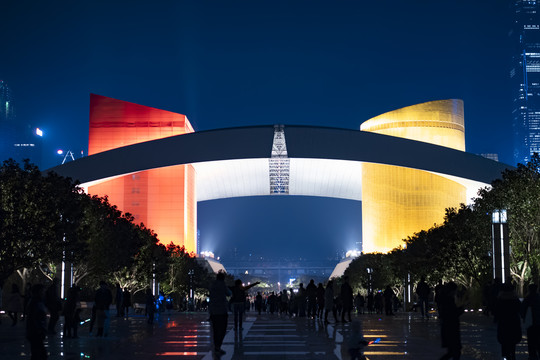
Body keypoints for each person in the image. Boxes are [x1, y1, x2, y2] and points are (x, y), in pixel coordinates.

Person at [495, 282, 522, 360]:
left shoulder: (500, 300)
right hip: (513, 322)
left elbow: (496, 311)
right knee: (512, 341)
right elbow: (519, 309)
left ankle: (507, 354)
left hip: (503, 323)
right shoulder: (515, 300)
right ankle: (512, 355)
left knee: (505, 340)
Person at [438, 282, 463, 360]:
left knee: (452, 352)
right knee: (455, 352)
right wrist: (460, 310)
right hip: (451, 329)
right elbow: (451, 314)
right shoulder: (448, 300)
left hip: (448, 328)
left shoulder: (445, 299)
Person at [209, 272, 231, 357]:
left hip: (213, 311)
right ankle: (218, 346)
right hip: (222, 310)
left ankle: (216, 347)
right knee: (222, 329)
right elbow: (229, 293)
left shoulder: (212, 285)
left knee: (215, 330)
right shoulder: (223, 285)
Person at [26, 284, 48, 360]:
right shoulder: (36, 302)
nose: (44, 292)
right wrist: (40, 330)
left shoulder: (36, 301)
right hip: (36, 332)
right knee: (40, 354)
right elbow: (34, 318)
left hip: (36, 332)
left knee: (37, 353)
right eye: (43, 291)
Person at [522, 283, 540, 359]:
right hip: (538, 322)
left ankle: (532, 355)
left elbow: (522, 310)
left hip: (531, 323)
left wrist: (523, 318)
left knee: (531, 339)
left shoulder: (527, 299)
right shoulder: (538, 298)